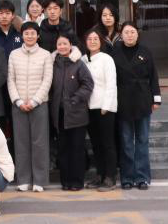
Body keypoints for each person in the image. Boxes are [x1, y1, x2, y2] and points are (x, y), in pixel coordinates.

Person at [113, 21, 161, 191]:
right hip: (123, 100)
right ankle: (127, 177)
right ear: (121, 35)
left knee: (142, 140)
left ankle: (142, 177)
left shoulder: (145, 52)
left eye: (132, 32)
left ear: (137, 34)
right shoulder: (114, 52)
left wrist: (156, 99)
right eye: (126, 32)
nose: (129, 35)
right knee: (126, 142)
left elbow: (153, 76)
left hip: (142, 100)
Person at [7, 21, 53, 192]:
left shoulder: (45, 55)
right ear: (22, 36)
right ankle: (24, 179)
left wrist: (35, 101)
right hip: (18, 104)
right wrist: (18, 100)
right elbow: (10, 79)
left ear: (38, 35)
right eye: (26, 33)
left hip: (39, 104)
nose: (30, 36)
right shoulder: (13, 54)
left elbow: (47, 80)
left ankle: (40, 180)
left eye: (33, 33)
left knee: (39, 142)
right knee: (21, 143)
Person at [50, 34, 94, 191]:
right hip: (59, 114)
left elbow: (88, 84)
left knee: (76, 148)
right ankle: (65, 181)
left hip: (77, 113)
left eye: (65, 44)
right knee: (63, 149)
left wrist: (75, 99)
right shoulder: (52, 64)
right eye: (59, 44)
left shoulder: (79, 63)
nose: (62, 46)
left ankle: (77, 181)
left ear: (70, 45)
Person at [82, 28, 118, 190]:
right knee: (95, 144)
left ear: (101, 41)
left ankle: (110, 177)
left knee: (107, 143)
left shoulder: (106, 59)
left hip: (104, 108)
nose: (92, 41)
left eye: (95, 39)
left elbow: (111, 84)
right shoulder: (83, 60)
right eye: (89, 39)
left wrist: (106, 106)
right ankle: (100, 175)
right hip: (89, 107)